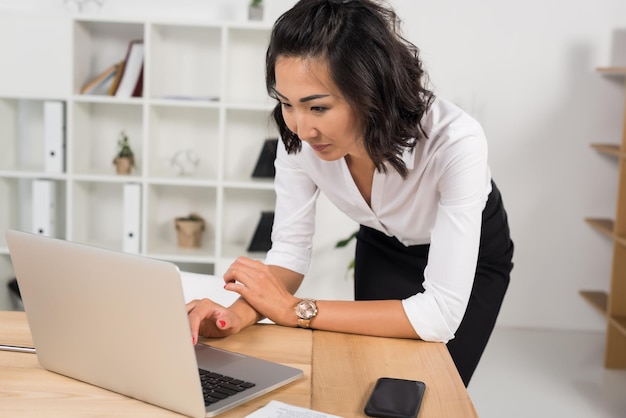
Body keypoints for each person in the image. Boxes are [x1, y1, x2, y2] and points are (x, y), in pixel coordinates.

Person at [187, 0, 514, 387]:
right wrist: (237, 315)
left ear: (369, 90)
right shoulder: (298, 138)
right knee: (376, 381)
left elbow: (439, 315)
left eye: (318, 107)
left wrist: (295, 311)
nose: (301, 128)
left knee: (434, 388)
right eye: (286, 104)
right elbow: (289, 254)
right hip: (384, 244)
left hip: (473, 257)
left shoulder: (456, 141)